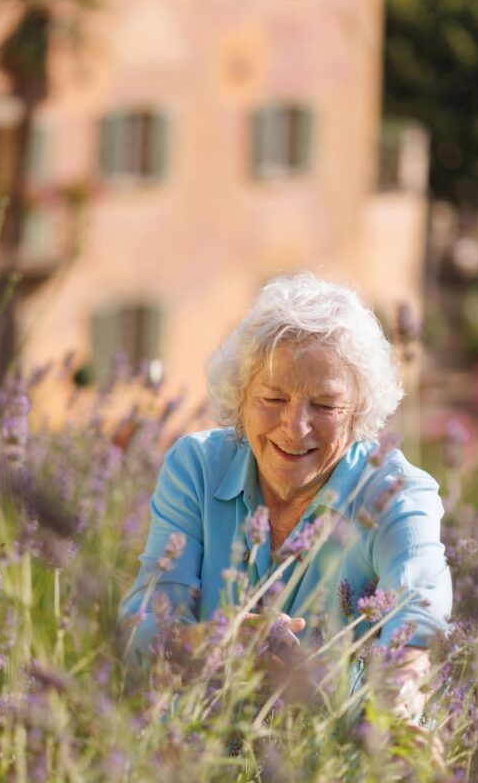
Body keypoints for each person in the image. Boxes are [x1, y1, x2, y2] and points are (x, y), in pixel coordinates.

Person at [119, 273, 452, 727]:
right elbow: (145, 627)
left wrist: (391, 724)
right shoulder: (196, 467)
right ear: (241, 398)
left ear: (358, 411)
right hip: (198, 757)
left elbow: (417, 617)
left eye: (325, 405)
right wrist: (223, 643)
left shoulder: (394, 493)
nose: (295, 428)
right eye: (273, 398)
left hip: (339, 763)